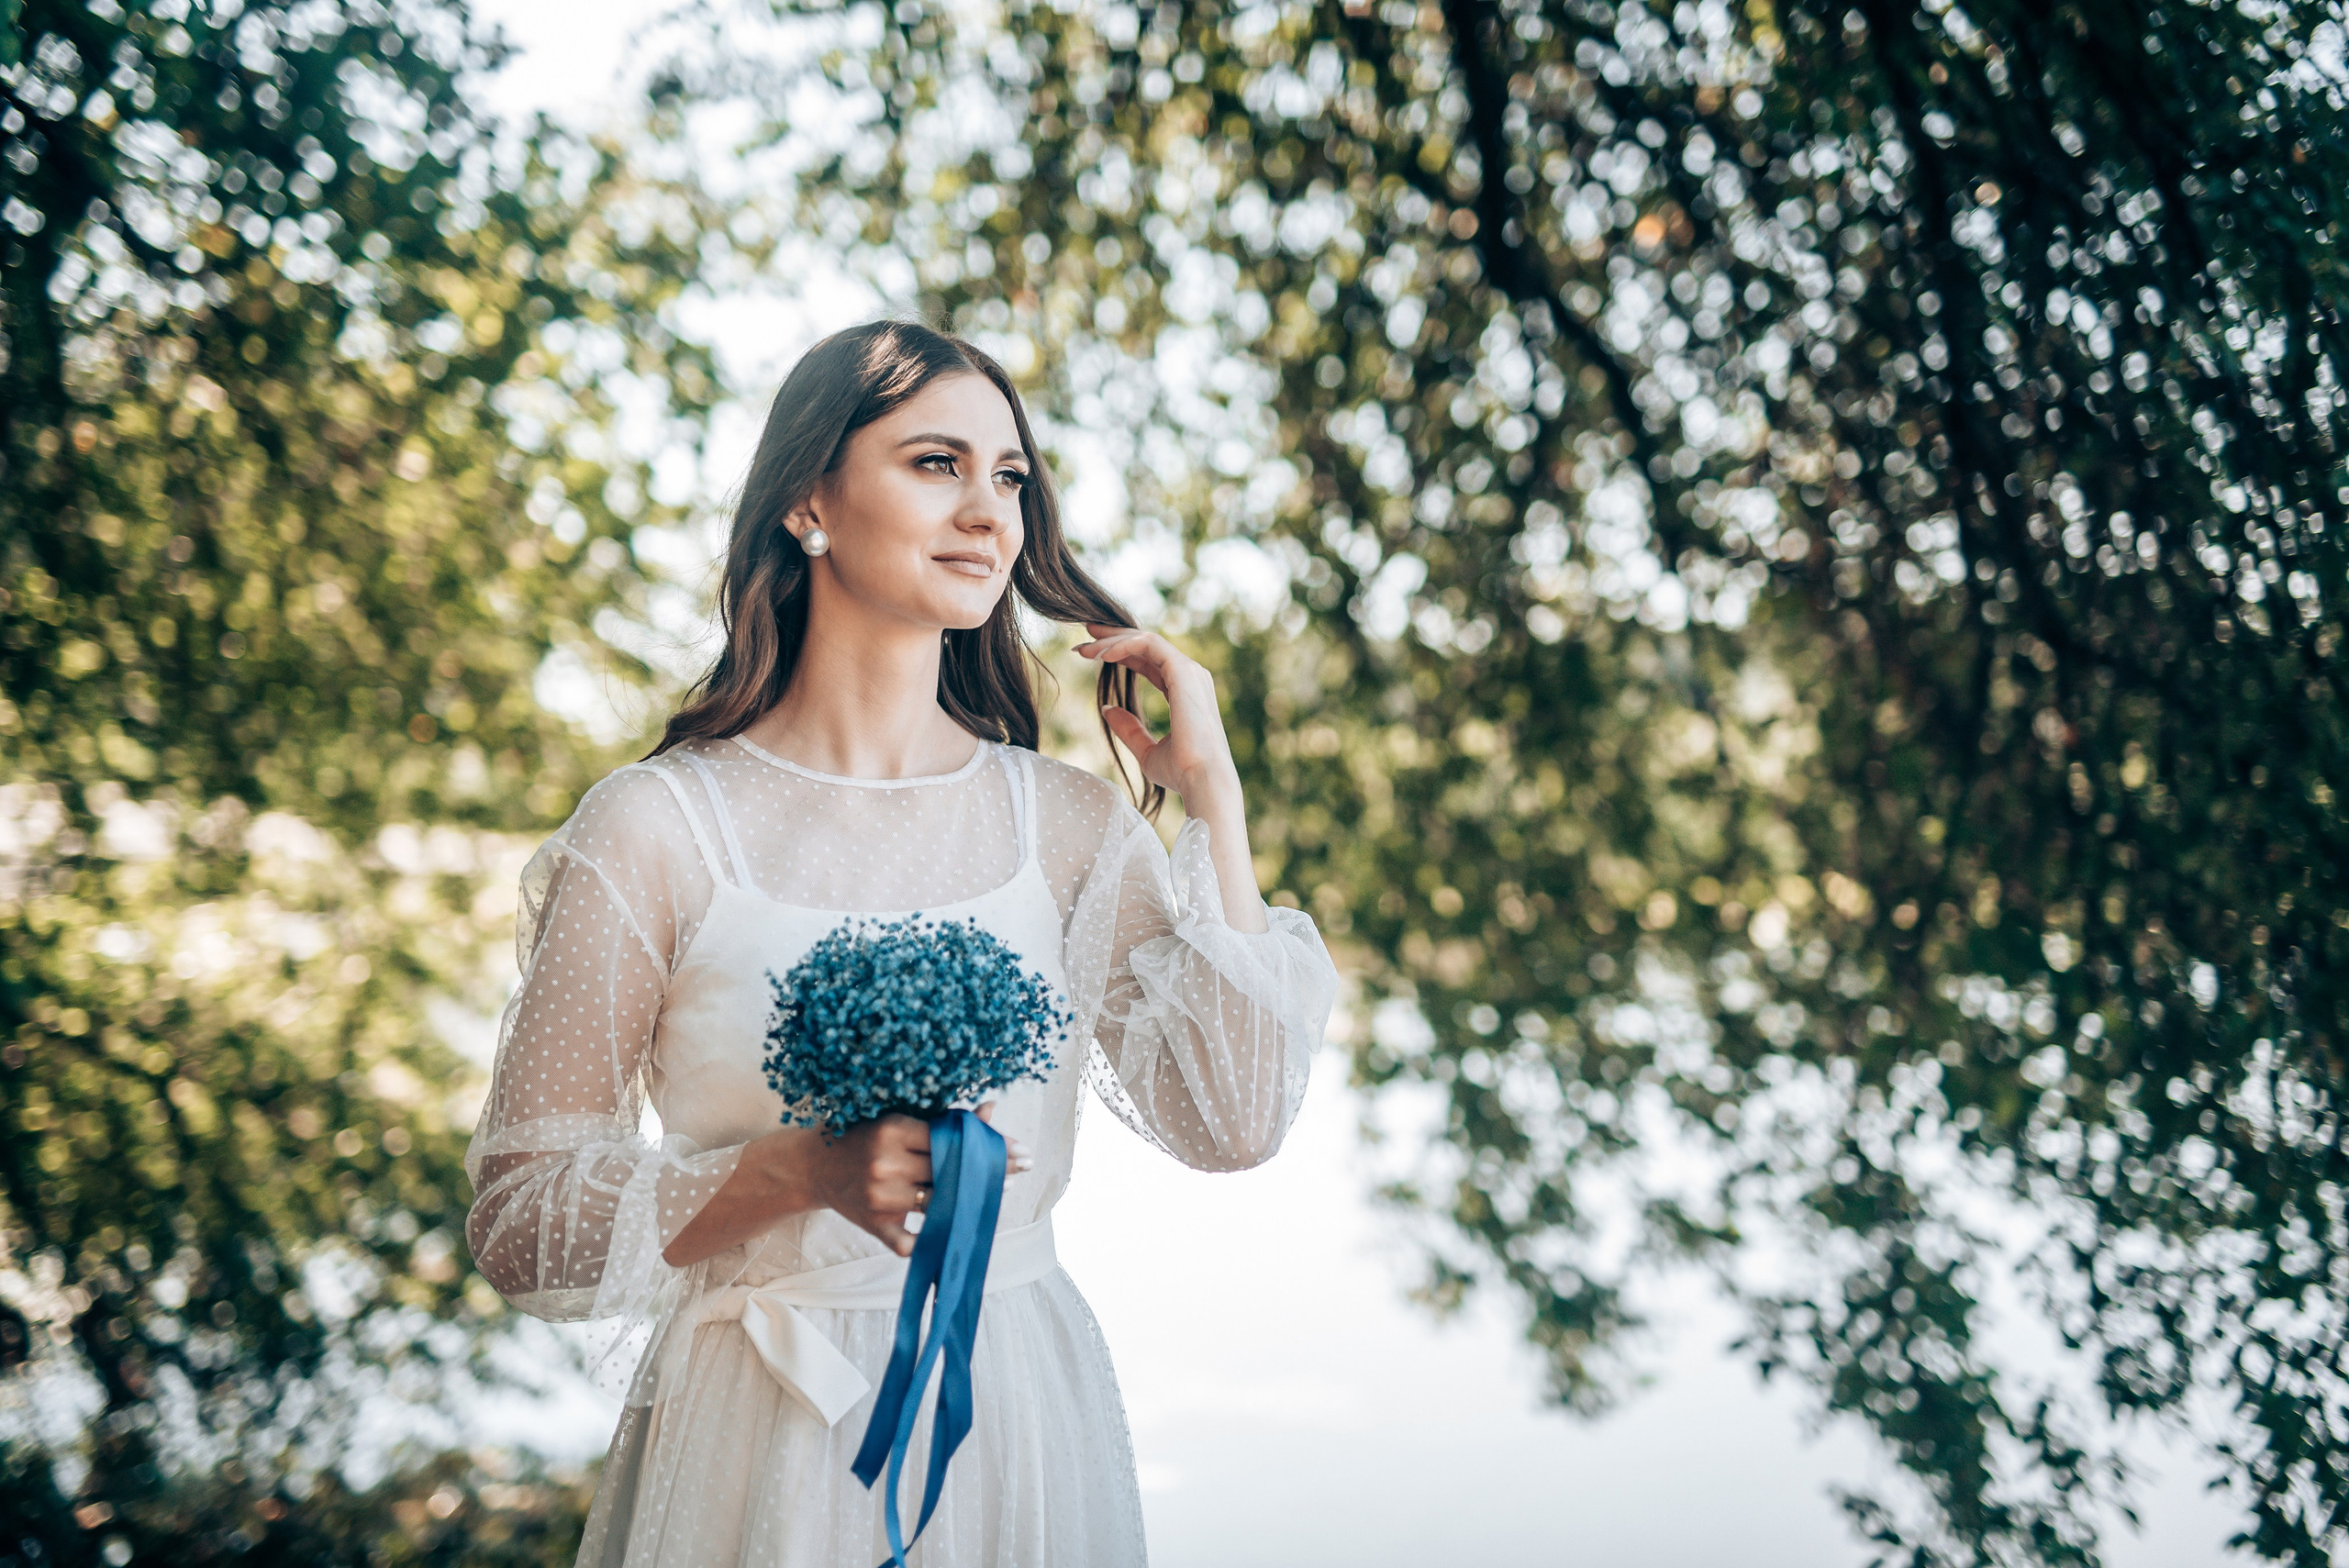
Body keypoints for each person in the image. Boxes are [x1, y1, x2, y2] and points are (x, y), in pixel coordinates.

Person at [463, 320, 1341, 1567]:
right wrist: (797, 1173)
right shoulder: (656, 828)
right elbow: (520, 1220)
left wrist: (1217, 800)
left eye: (1011, 478)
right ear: (809, 501)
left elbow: (1234, 1119)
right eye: (938, 462)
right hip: (759, 1432)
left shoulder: (1067, 827)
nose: (991, 513)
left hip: (1016, 1420)